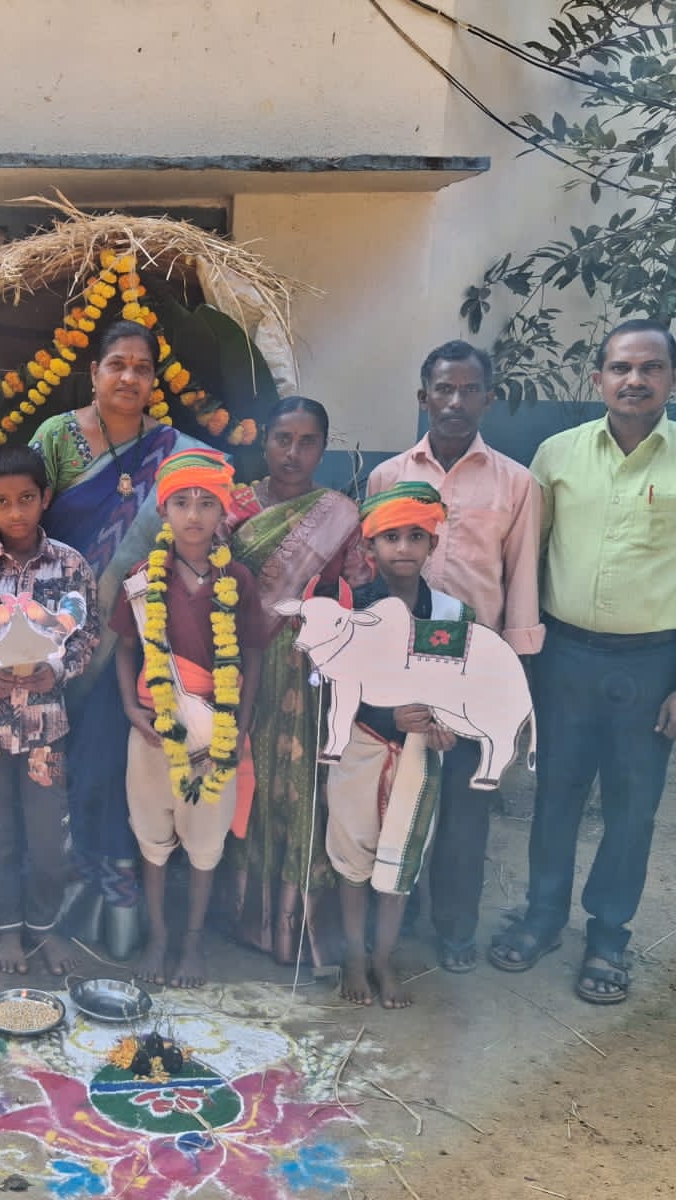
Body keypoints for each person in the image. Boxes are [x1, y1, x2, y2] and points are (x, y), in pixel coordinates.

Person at [492, 319, 676, 1005]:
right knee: (556, 795)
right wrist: (521, 660)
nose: (635, 380)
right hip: (565, 656)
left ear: (674, 378)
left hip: (651, 663)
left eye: (650, 368)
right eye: (621, 368)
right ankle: (543, 917)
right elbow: (528, 561)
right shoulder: (557, 455)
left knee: (632, 807)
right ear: (598, 377)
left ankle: (608, 936)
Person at [30, 320, 206, 958]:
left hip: (130, 639)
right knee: (50, 768)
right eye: (117, 364)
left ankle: (112, 891)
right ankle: (50, 897)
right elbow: (23, 518)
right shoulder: (56, 437)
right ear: (94, 372)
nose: (129, 377)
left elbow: (199, 530)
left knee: (108, 764)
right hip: (50, 635)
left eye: (141, 367)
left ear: (155, 380)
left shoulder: (175, 451)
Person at [367, 341, 543, 974]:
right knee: (394, 792)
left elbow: (521, 582)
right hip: (397, 667)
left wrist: (515, 683)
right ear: (424, 397)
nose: (455, 401)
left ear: (488, 399)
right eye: (443, 389)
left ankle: (455, 926)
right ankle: (394, 915)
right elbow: (371, 575)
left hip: (472, 668)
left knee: (466, 808)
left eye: (470, 390)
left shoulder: (515, 483)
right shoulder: (387, 478)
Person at [224, 396, 373, 970]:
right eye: (283, 439)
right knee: (252, 784)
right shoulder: (234, 505)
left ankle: (298, 929)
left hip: (312, 675)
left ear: (323, 448)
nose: (293, 453)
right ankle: (247, 920)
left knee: (304, 787)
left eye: (307, 442)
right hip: (245, 667)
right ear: (264, 441)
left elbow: (361, 587)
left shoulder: (339, 514)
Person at [0, 445, 100, 976]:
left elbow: (88, 633)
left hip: (45, 731)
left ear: (45, 498)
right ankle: (7, 932)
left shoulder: (69, 564)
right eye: (3, 502)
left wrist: (58, 671)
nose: (16, 512)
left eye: (27, 499)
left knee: (50, 838)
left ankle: (44, 928)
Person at [113, 449, 266, 987]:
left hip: (215, 735)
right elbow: (125, 648)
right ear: (164, 510)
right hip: (152, 733)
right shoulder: (142, 579)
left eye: (206, 503)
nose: (194, 514)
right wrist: (131, 709)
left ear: (223, 511)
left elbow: (254, 655)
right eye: (181, 503)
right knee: (152, 839)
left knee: (205, 844)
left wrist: (238, 728)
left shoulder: (237, 579)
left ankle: (193, 945)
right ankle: (159, 940)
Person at [327, 482, 471, 1009]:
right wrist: (388, 715)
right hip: (361, 747)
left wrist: (447, 725)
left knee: (399, 862)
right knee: (353, 858)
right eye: (391, 537)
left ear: (433, 543)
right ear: (369, 546)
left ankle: (384, 959)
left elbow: (462, 688)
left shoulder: (452, 614)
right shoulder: (351, 608)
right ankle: (354, 958)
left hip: (419, 756)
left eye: (416, 536)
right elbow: (333, 688)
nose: (404, 548)